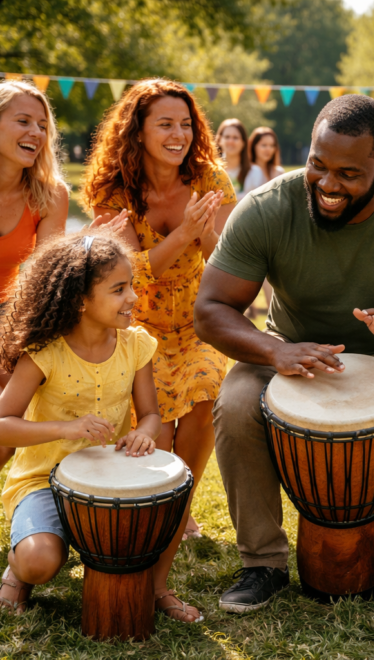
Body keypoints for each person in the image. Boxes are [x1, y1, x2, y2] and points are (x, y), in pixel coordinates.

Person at [194, 95, 374, 620]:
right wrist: (275, 351)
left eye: (349, 173)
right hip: (284, 348)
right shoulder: (267, 207)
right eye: (317, 165)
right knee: (236, 404)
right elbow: (211, 308)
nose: (328, 185)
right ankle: (261, 561)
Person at [81, 79, 237, 550]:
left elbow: (228, 261)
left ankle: (181, 506)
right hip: (135, 327)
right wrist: (184, 232)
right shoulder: (113, 188)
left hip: (197, 320)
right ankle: (157, 502)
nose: (179, 134)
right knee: (156, 429)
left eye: (186, 124)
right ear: (138, 131)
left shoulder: (210, 179)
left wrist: (203, 232)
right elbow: (130, 275)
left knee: (208, 392)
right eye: (165, 124)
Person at [0, 232, 170, 616]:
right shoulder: (45, 352)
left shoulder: (135, 345)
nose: (133, 298)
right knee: (38, 561)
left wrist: (143, 434)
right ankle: (17, 568)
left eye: (132, 287)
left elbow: (151, 415)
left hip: (110, 482)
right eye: (119, 289)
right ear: (80, 300)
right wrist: (65, 429)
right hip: (42, 481)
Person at [0, 80, 69, 473]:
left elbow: (43, 281)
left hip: (9, 309)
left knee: (11, 406)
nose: (36, 133)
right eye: (23, 121)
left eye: (42, 125)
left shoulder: (50, 194)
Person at [244, 127, 286, 316]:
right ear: (254, 147)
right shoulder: (246, 172)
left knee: (272, 282)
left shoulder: (279, 172)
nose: (268, 149)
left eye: (272, 145)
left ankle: (272, 317)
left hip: (273, 234)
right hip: (249, 232)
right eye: (263, 145)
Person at [215, 119, 263, 201]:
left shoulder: (255, 173)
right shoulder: (209, 172)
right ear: (219, 140)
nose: (231, 141)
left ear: (243, 142)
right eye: (227, 137)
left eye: (235, 138)